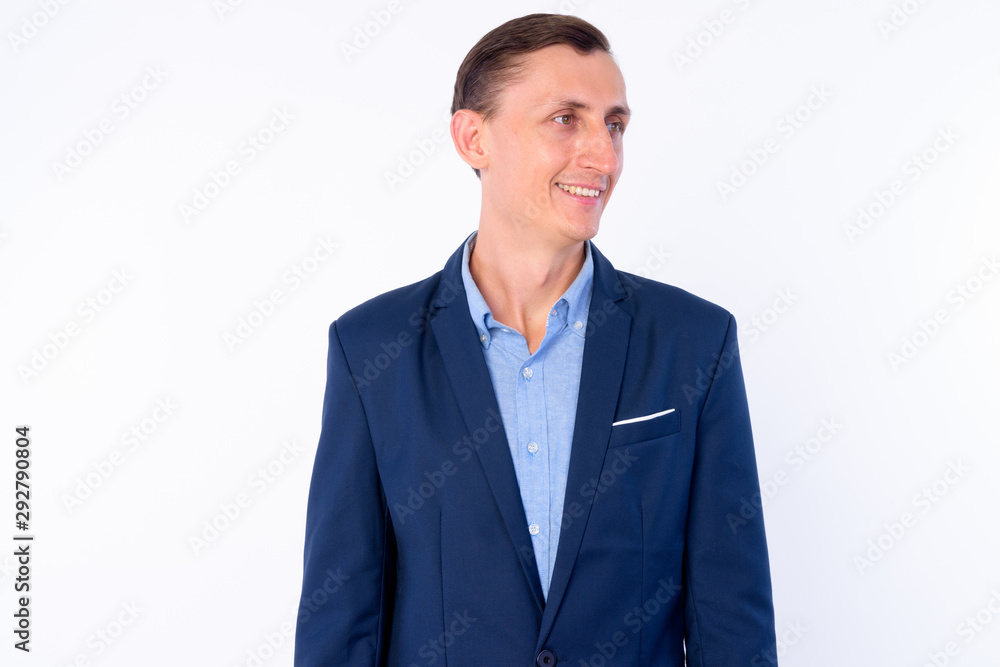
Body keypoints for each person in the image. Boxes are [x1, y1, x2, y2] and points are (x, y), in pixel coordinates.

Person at [295, 13, 777, 666]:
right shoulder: (370, 352)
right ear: (473, 138)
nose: (603, 156)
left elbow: (733, 624)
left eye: (614, 124)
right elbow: (342, 623)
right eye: (565, 119)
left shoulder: (695, 341)